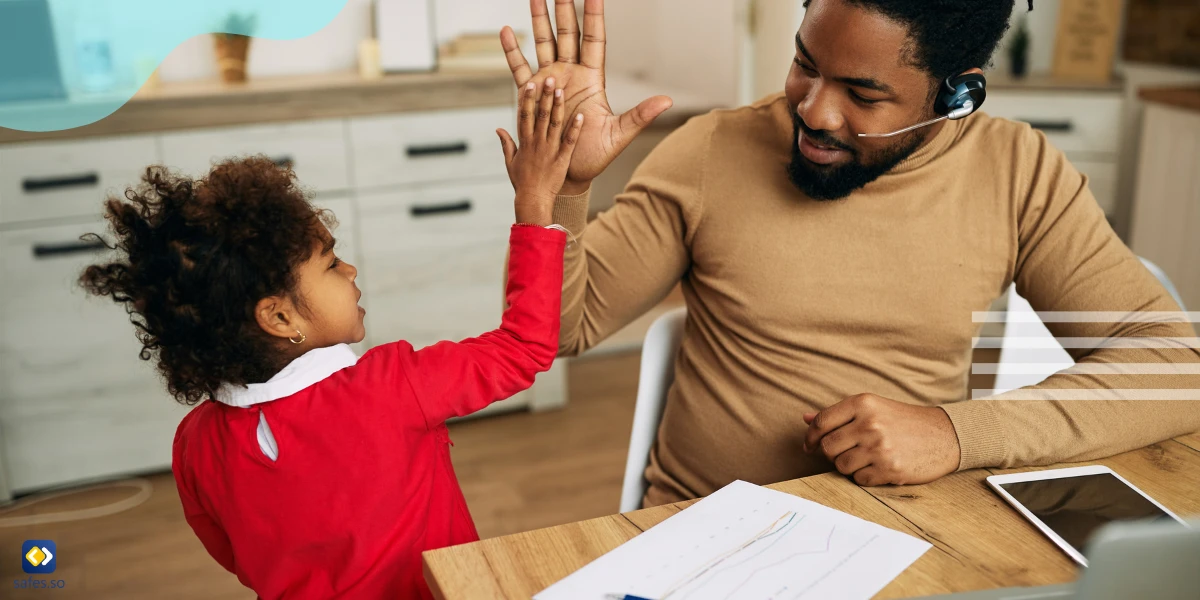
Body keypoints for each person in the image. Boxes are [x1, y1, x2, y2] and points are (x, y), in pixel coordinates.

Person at [498, 0, 1200, 507]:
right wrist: (561, 190)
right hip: (699, 532)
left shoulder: (1017, 170)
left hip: (902, 535)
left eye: (863, 94)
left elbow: (1174, 372)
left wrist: (954, 434)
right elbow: (560, 330)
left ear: (959, 92)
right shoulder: (715, 148)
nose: (814, 110)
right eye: (806, 63)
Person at [79, 83, 583, 599]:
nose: (351, 269)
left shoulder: (194, 444)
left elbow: (234, 554)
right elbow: (524, 346)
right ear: (278, 316)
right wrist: (536, 202)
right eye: (330, 263)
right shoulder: (393, 387)